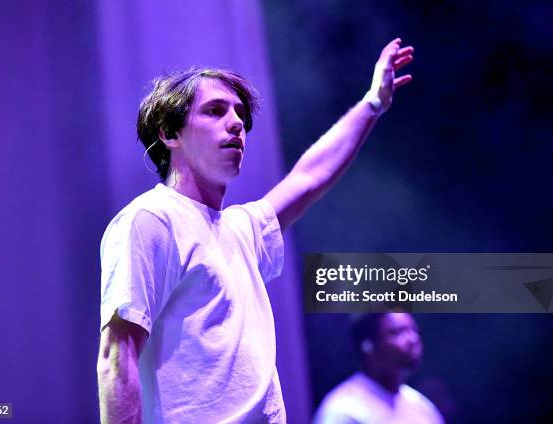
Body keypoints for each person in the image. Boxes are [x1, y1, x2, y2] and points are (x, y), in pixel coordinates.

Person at [97, 38, 414, 423]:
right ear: (169, 132)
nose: (236, 124)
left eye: (240, 116)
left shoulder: (239, 229)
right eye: (214, 111)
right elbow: (117, 358)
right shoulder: (150, 219)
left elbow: (310, 177)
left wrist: (373, 103)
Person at [313, 313, 445, 424]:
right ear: (367, 346)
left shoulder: (421, 406)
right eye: (397, 332)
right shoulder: (343, 412)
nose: (412, 339)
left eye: (413, 330)